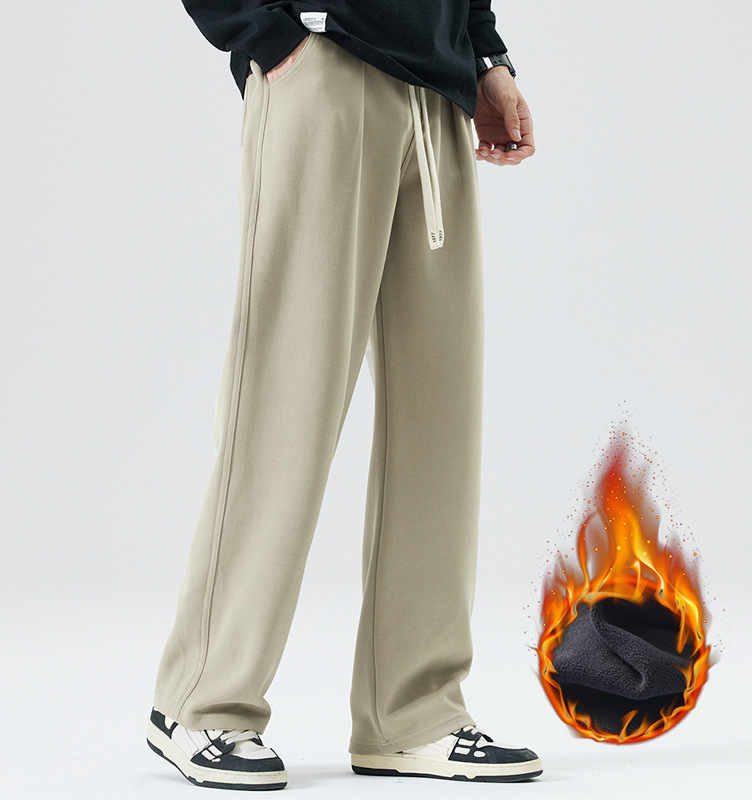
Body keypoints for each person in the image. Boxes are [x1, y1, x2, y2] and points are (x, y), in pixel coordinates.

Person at [146, 1, 540, 791]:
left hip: (438, 94)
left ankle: (413, 712)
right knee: (285, 401)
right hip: (324, 63)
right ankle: (202, 701)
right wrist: (269, 36)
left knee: (439, 418)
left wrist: (484, 55)